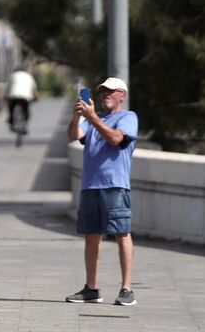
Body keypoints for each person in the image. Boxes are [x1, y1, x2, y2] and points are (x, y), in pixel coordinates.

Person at [65, 77, 139, 306]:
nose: (105, 94)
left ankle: (127, 289)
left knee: (122, 233)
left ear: (122, 95)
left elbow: (116, 139)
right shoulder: (91, 120)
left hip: (115, 185)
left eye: (110, 91)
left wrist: (93, 117)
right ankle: (91, 288)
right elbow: (73, 135)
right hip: (90, 186)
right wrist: (78, 115)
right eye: (102, 91)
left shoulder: (128, 117)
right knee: (91, 237)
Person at [5, 66, 38, 131]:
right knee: (26, 109)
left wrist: (5, 96)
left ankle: (11, 120)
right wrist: (35, 97)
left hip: (14, 95)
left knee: (11, 108)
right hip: (25, 96)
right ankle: (25, 122)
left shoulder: (12, 75)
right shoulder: (29, 76)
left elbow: (8, 88)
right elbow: (34, 88)